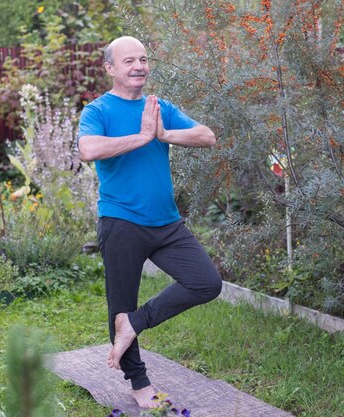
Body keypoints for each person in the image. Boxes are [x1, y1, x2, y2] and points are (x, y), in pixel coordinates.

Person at [77, 36, 223, 408]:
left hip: (167, 224)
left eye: (143, 59)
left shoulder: (158, 107)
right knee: (120, 302)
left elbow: (207, 136)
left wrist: (163, 134)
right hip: (122, 223)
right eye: (129, 61)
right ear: (110, 68)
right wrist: (141, 137)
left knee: (207, 282)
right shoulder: (98, 110)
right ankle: (139, 384)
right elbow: (89, 149)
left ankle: (136, 323)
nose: (139, 66)